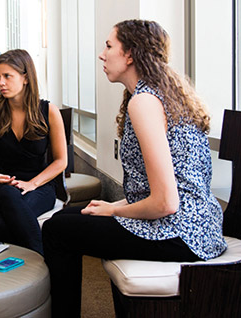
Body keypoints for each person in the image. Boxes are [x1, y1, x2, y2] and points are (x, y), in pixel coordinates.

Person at [42, 19, 227, 317]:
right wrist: (113, 204)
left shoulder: (144, 102)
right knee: (71, 214)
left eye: (109, 46)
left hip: (180, 232)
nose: (102, 54)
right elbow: (165, 188)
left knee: (56, 229)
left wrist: (113, 210)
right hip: (200, 226)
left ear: (130, 54)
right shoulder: (160, 94)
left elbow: (166, 202)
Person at [0, 49, 67, 255]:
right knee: (9, 195)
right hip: (1, 187)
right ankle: (41, 261)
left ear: (25, 78)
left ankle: (17, 268)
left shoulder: (49, 111)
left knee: (7, 222)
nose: (0, 83)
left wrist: (32, 184)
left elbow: (61, 161)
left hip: (39, 185)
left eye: (7, 76)